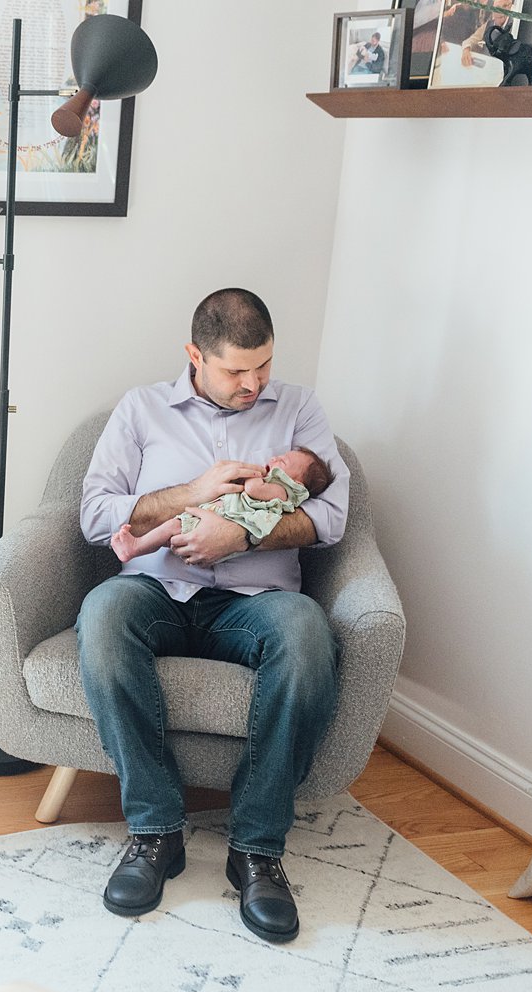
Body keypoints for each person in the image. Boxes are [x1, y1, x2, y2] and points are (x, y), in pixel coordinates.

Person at [77, 288, 350, 943]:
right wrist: (192, 493)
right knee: (103, 613)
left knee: (309, 634)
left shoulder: (300, 409)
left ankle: (256, 847)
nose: (254, 383)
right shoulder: (142, 409)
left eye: (264, 366)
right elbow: (93, 514)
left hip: (256, 604)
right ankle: (155, 830)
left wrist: (246, 535)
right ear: (195, 355)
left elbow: (335, 517)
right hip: (154, 590)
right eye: (236, 370)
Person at [109, 446, 333, 564]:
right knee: (172, 528)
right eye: (280, 455)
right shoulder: (279, 484)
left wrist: (252, 475)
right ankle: (139, 546)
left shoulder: (284, 491)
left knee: (173, 527)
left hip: (226, 523)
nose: (275, 459)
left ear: (298, 483)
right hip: (217, 515)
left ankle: (136, 547)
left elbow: (254, 491)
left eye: (283, 462)